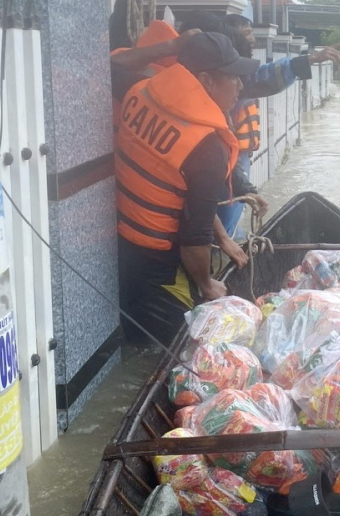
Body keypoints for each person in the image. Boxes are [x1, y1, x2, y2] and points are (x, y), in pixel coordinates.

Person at [111, 32, 260, 345]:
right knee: (177, 352)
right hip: (161, 266)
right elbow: (193, 238)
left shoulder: (141, 90)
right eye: (233, 77)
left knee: (137, 335)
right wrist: (207, 285)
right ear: (205, 81)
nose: (241, 87)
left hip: (121, 247)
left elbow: (111, 64)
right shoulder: (207, 147)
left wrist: (223, 238)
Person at [181, 9, 340, 238]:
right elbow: (265, 77)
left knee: (227, 218)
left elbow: (264, 75)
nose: (252, 39)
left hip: (235, 159)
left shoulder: (234, 75)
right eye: (247, 33)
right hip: (226, 160)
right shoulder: (220, 81)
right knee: (217, 221)